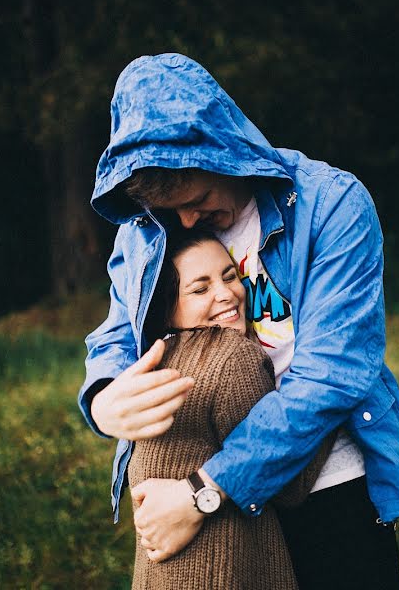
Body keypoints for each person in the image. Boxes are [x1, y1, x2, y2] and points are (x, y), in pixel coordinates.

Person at [78, 53, 399, 589]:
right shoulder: (147, 230)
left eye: (199, 199)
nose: (187, 220)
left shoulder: (330, 204)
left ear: (228, 154)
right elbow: (116, 334)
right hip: (201, 510)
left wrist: (206, 490)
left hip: (322, 489)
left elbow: (331, 376)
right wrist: (102, 399)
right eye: (174, 211)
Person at [128, 227, 332, 589]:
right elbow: (287, 485)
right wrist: (330, 399)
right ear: (167, 305)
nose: (226, 294)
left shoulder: (156, 361)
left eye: (229, 276)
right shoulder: (232, 357)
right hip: (222, 572)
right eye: (200, 288)